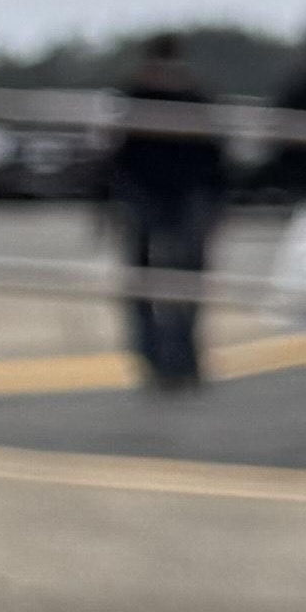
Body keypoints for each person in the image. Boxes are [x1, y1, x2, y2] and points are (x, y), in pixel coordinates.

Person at [109, 33, 227, 392]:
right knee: (182, 283)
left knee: (154, 283)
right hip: (177, 199)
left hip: (156, 199)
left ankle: (163, 358)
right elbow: (215, 158)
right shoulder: (193, 96)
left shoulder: (138, 97)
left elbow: (118, 156)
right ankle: (177, 358)